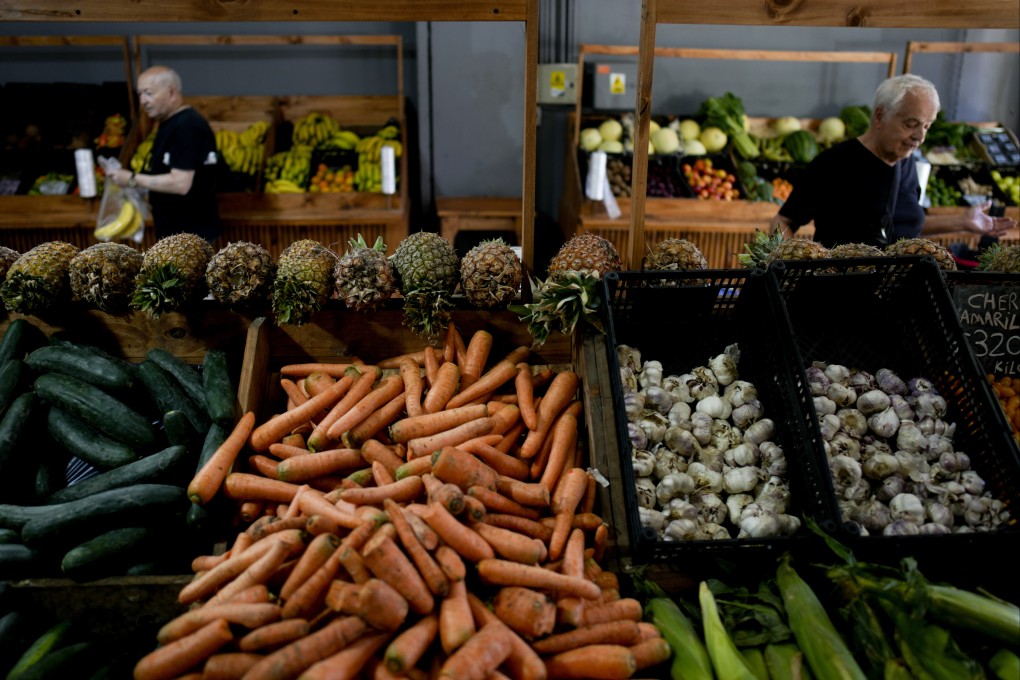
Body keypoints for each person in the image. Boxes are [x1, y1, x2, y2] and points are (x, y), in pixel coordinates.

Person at [770, 73, 1015, 248]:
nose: (920, 137)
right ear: (879, 117)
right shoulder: (834, 163)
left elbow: (898, 226)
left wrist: (962, 221)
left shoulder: (906, 163)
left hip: (891, 296)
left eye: (927, 126)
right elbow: (783, 221)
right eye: (911, 124)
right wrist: (791, 263)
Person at [109, 65, 221, 243]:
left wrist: (131, 178)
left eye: (149, 93)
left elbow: (180, 184)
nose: (143, 101)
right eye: (140, 94)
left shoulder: (188, 126)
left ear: (171, 92)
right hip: (175, 235)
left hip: (190, 238)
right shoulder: (168, 123)